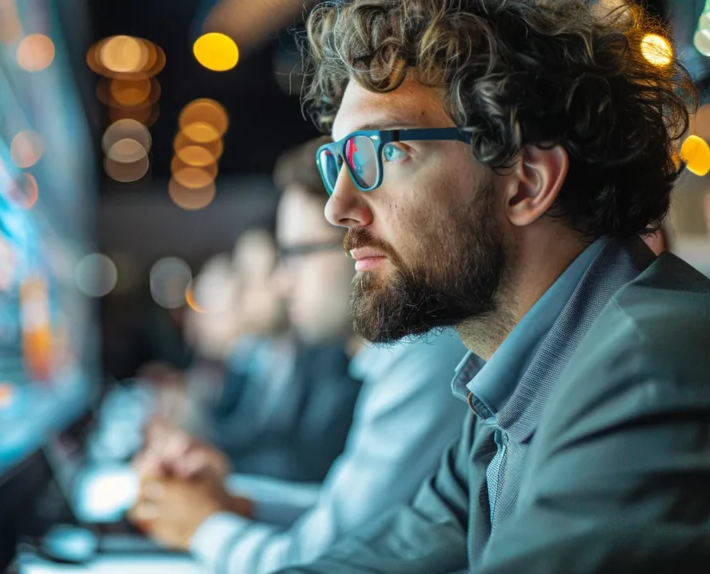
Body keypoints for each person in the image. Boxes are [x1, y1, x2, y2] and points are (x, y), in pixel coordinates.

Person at [273, 0, 710, 572]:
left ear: (528, 183)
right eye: (338, 162)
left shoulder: (649, 369)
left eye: (381, 152)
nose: (338, 208)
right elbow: (377, 560)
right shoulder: (510, 381)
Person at [129, 138, 468, 573]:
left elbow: (326, 560)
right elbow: (345, 516)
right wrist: (234, 501)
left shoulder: (424, 356)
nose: (282, 285)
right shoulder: (394, 360)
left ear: (361, 243)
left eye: (297, 255)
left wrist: (202, 526)